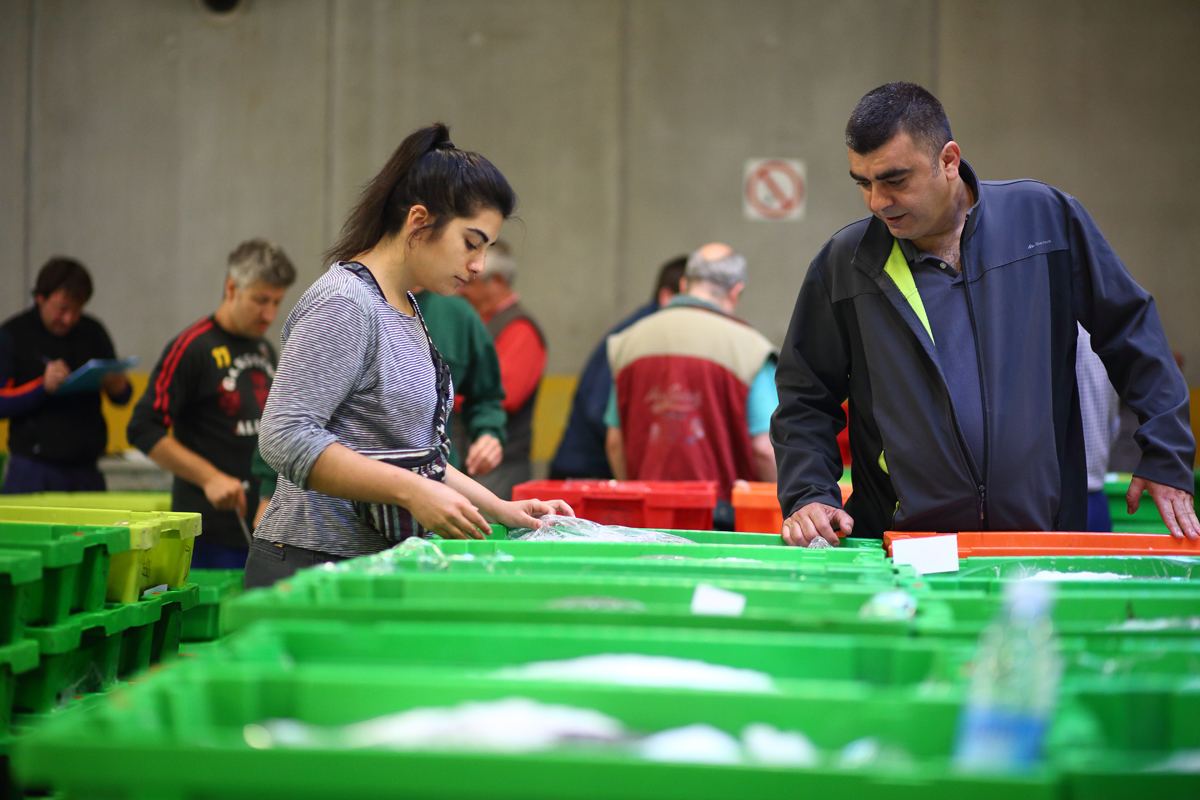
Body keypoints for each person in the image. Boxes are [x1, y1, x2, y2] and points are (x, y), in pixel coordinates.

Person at [772, 81, 1198, 546]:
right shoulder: (846, 263)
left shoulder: (1044, 221)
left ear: (949, 161)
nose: (878, 202)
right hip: (907, 549)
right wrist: (809, 493)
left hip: (1040, 542)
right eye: (864, 183)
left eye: (895, 180)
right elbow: (805, 397)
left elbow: (1130, 329)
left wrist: (1166, 451)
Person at [251, 123, 571, 588]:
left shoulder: (406, 307)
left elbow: (419, 458)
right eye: (471, 243)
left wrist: (503, 510)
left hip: (368, 568)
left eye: (486, 250)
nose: (479, 266)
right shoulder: (345, 302)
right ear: (419, 222)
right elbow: (283, 437)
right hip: (309, 567)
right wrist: (412, 490)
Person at [127, 239, 297, 568]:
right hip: (207, 534)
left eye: (277, 301)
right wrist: (209, 477)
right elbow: (142, 427)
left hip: (260, 527)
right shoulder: (192, 347)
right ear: (231, 288)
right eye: (260, 300)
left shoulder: (265, 350)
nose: (270, 314)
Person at [604, 243, 779, 522]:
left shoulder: (628, 341)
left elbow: (615, 442)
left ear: (685, 283)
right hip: (722, 522)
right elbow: (765, 450)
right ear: (735, 292)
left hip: (649, 520)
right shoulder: (750, 349)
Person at [0, 257, 132, 491]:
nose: (69, 318)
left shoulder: (92, 331)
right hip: (33, 469)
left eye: (77, 310)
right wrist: (42, 387)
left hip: (87, 468)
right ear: (41, 297)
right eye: (62, 309)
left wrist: (119, 387)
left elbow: (123, 397)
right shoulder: (13, 335)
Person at [550, 256, 686, 480]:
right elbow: (600, 410)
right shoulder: (638, 338)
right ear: (667, 297)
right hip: (584, 473)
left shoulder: (647, 332)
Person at [456, 240, 547, 500]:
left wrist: (443, 393)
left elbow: (505, 395)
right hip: (474, 460)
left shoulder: (520, 329)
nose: (462, 292)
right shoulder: (483, 322)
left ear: (496, 281)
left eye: (471, 283)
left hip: (500, 464)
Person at [411, 288, 506, 477]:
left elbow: (486, 397)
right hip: (364, 483)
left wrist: (488, 432)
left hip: (440, 475)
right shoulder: (356, 304)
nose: (476, 267)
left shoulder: (459, 314)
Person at [1075, 324, 1120, 532]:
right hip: (1096, 498)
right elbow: (1113, 426)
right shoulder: (1105, 336)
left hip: (1053, 505)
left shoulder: (1040, 332)